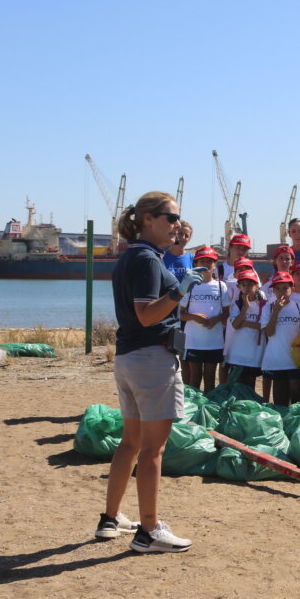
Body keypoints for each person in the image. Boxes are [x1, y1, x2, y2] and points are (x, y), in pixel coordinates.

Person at [98, 190, 200, 553]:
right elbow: (146, 314)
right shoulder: (147, 261)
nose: (177, 225)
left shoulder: (132, 257)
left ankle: (111, 518)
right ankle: (150, 530)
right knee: (153, 449)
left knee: (131, 441)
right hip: (152, 360)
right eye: (170, 218)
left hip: (128, 358)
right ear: (147, 220)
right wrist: (181, 291)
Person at [180, 246, 230, 392]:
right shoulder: (189, 285)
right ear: (195, 264)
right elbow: (179, 314)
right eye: (202, 261)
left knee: (209, 379)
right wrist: (194, 317)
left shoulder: (221, 286)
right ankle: (194, 409)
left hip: (214, 342)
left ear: (215, 265)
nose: (206, 264)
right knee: (194, 377)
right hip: (193, 341)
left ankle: (208, 410)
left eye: (210, 261)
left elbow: (227, 312)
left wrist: (216, 319)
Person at [260, 272, 300, 406]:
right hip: (276, 359)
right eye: (278, 288)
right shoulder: (268, 308)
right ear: (273, 291)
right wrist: (276, 312)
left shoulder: (299, 308)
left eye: (285, 288)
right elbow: (269, 332)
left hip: (295, 359)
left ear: (292, 289)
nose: (281, 292)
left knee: (297, 393)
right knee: (279, 396)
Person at [226, 268, 266, 391]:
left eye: (250, 284)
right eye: (243, 284)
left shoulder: (265, 305)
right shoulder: (237, 304)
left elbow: (264, 327)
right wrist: (246, 308)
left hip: (254, 354)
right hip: (237, 355)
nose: (247, 287)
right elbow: (235, 325)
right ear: (239, 287)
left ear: (257, 286)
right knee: (235, 387)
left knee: (250, 388)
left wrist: (245, 323)